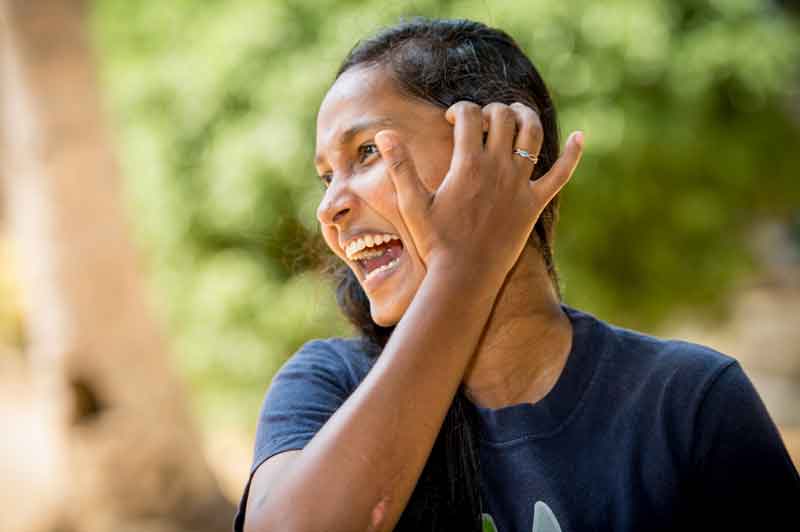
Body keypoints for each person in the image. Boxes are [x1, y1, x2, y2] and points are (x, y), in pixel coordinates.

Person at [234, 17, 800, 532]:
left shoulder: (687, 402)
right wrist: (462, 274)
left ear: (493, 146)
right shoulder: (327, 387)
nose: (328, 207)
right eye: (326, 176)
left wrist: (463, 266)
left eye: (365, 153)